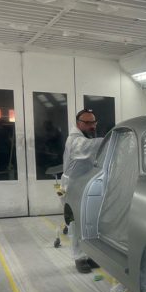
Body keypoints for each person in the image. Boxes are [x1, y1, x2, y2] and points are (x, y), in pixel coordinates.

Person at [62, 108, 103, 273]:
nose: (92, 126)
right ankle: (79, 257)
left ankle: (89, 253)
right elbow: (85, 148)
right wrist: (111, 140)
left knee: (89, 221)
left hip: (85, 184)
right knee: (75, 223)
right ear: (78, 123)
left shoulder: (87, 137)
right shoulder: (74, 139)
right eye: (88, 123)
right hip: (71, 186)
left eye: (94, 122)